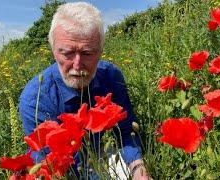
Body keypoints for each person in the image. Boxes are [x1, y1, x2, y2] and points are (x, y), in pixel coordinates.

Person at [19, 2, 152, 180]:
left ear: (101, 51)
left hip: (104, 153)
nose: (77, 65)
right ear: (53, 50)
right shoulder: (35, 99)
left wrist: (138, 169)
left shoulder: (111, 76)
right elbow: (53, 165)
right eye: (67, 53)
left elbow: (126, 133)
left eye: (88, 53)